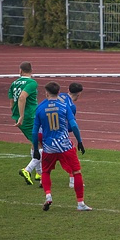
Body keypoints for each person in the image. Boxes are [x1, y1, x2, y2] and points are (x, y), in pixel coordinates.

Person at [33, 82, 91, 212]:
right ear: (59, 92)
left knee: (46, 171)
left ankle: (48, 195)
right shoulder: (65, 106)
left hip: (49, 146)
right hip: (64, 145)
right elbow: (74, 125)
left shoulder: (40, 108)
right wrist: (80, 141)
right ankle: (80, 203)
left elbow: (35, 131)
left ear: (46, 93)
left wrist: (36, 149)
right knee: (76, 171)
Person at [9, 61, 40, 185]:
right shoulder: (32, 83)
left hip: (19, 116)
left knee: (35, 142)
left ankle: (39, 173)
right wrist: (22, 116)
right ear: (31, 71)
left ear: (20, 71)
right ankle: (28, 170)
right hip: (29, 117)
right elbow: (22, 97)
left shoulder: (14, 83)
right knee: (41, 144)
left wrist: (17, 115)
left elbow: (11, 103)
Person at [63, 82, 84, 190]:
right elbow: (72, 126)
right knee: (72, 155)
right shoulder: (71, 106)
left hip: (45, 130)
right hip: (60, 135)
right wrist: (79, 141)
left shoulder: (60, 96)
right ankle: (73, 181)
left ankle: (38, 176)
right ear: (79, 94)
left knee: (45, 156)